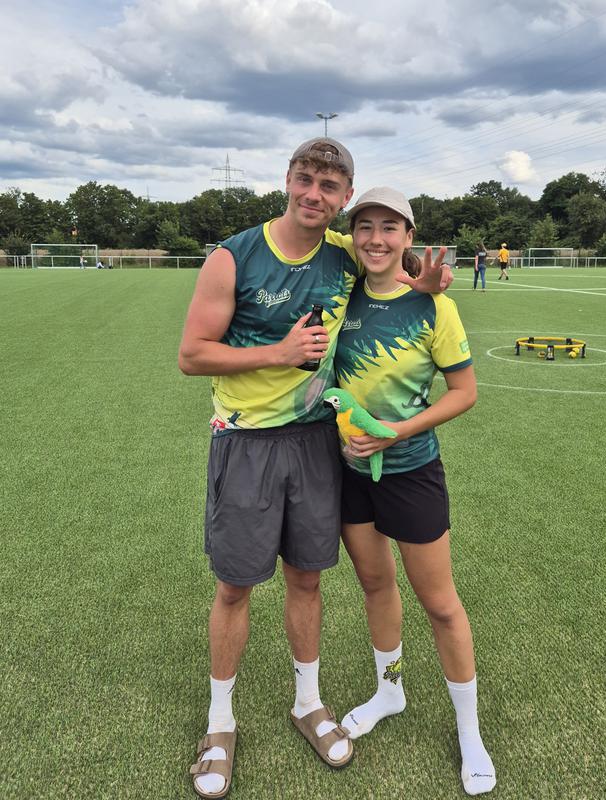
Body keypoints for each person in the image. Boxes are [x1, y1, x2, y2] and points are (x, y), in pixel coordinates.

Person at [178, 138, 452, 799]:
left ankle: (308, 703)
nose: (313, 194)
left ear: (344, 196)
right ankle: (220, 724)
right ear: (287, 179)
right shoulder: (233, 256)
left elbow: (390, 259)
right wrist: (276, 352)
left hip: (316, 443)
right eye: (305, 179)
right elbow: (192, 354)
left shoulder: (343, 254)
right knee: (235, 587)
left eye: (329, 187)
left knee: (307, 579)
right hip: (246, 441)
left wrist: (421, 281)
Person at [334, 186, 496, 796]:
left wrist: (398, 431)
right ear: (353, 234)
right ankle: (389, 692)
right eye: (365, 226)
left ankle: (469, 731)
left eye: (389, 227)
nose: (376, 238)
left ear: (408, 236)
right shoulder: (341, 292)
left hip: (412, 471)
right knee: (376, 585)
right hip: (350, 474)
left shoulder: (436, 307)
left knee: (440, 603)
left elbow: (464, 393)